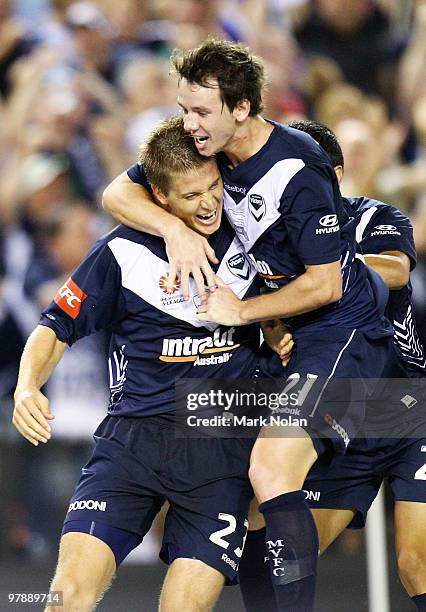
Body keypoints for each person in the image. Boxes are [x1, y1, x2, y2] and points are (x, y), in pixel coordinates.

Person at [102, 37, 405, 611]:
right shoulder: (207, 148)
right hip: (290, 337)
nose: (188, 123)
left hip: (342, 333)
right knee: (259, 499)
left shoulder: (298, 167)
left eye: (200, 111)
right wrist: (176, 231)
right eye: (184, 108)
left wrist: (243, 312)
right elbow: (117, 192)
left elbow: (327, 284)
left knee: (270, 467)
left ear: (241, 109)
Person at [13, 116, 276, 612]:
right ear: (158, 195)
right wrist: (28, 386)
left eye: (214, 187)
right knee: (65, 599)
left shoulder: (256, 240)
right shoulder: (122, 252)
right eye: (191, 194)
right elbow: (54, 326)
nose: (208, 203)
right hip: (132, 442)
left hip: (219, 453)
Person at [238, 120, 426, 612]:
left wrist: (324, 268)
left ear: (333, 175)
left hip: (408, 406)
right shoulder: (267, 243)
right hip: (346, 410)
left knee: (414, 562)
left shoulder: (373, 216)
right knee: (286, 551)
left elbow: (397, 269)